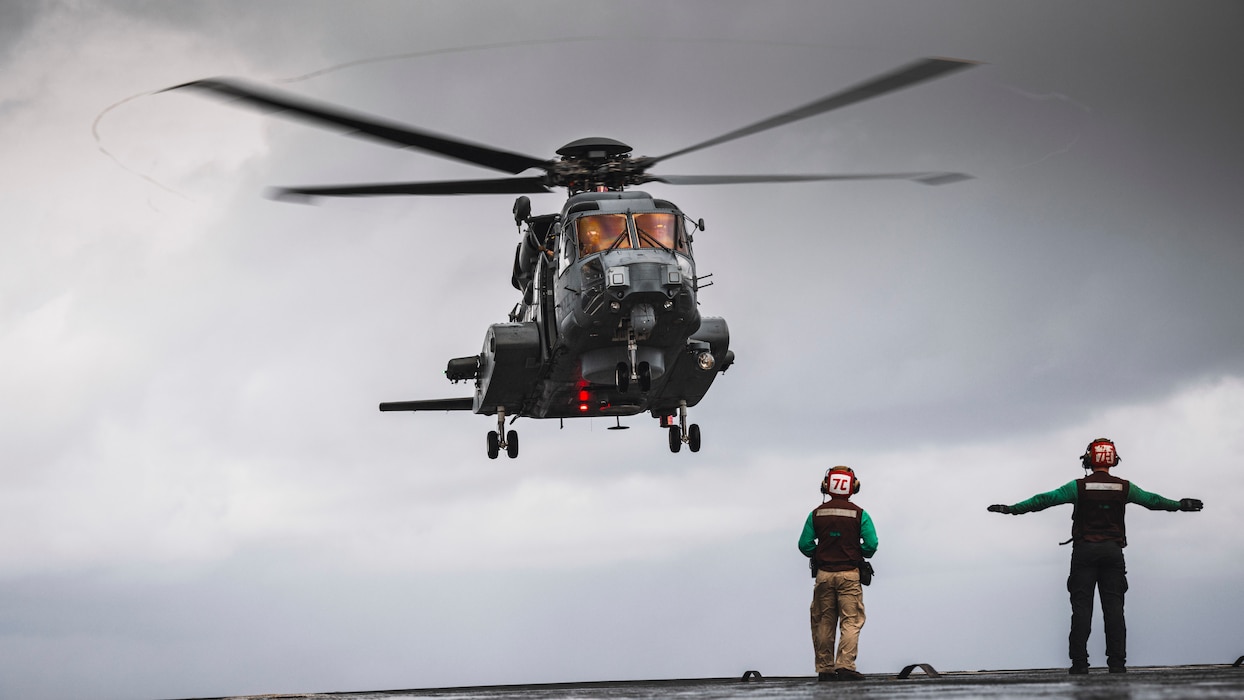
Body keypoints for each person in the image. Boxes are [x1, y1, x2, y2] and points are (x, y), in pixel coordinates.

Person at [988, 438, 1203, 675]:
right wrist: (1180, 505)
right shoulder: (1124, 487)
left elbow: (1045, 500)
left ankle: (1079, 664)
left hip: (1084, 552)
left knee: (1081, 609)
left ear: (1088, 460)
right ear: (1114, 460)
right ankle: (1117, 664)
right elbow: (1153, 501)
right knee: (1114, 609)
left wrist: (1012, 509)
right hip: (1113, 552)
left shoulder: (1078, 487)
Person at [798, 466, 878, 682]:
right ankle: (845, 666)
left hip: (824, 575)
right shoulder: (860, 514)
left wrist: (822, 553)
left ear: (826, 486)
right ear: (853, 487)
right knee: (851, 621)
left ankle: (825, 669)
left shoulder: (816, 513)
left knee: (824, 621)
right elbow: (871, 545)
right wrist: (854, 551)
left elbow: (804, 545)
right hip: (850, 575)